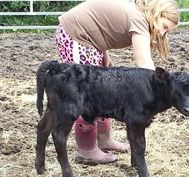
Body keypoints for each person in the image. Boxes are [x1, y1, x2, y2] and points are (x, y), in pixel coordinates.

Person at [55, 0, 179, 164]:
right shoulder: (141, 20)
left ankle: (104, 139)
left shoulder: (137, 14)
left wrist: (104, 51)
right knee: (87, 93)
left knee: (104, 90)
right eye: (164, 26)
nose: (162, 33)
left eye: (166, 31)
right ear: (158, 14)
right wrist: (156, 95)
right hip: (77, 35)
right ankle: (87, 150)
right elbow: (144, 64)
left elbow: (101, 23)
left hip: (90, 39)